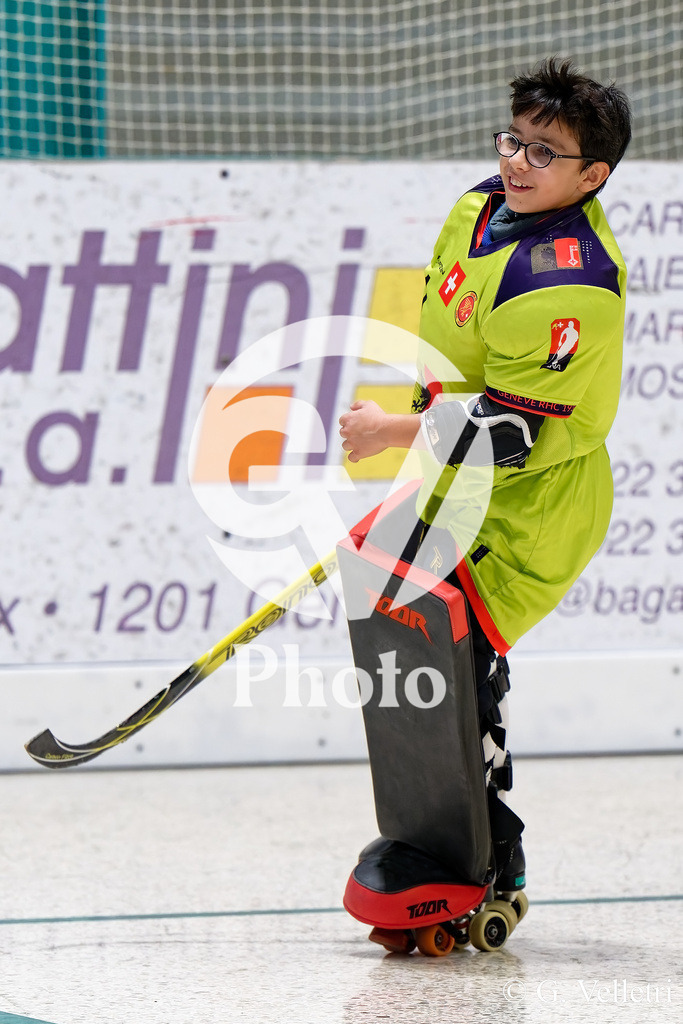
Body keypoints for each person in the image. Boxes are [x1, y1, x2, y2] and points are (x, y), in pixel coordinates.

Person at [339, 57, 632, 894]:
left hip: (532, 506)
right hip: (454, 477)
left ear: (592, 176)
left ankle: (489, 859)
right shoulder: (478, 207)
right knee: (401, 641)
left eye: (544, 153)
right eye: (514, 139)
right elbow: (445, 348)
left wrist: (393, 433)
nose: (517, 163)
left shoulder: (567, 282)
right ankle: (427, 838)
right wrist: (419, 451)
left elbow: (509, 434)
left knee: (459, 662)